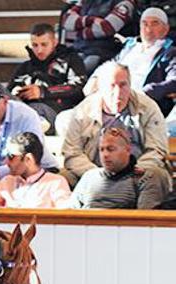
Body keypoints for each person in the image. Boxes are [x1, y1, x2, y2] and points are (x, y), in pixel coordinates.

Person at [61, 62, 170, 198]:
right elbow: (72, 153)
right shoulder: (82, 111)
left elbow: (156, 150)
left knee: (158, 176)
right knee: (62, 177)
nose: (118, 93)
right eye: (112, 86)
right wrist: (97, 175)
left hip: (138, 172)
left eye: (123, 85)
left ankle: (145, 218)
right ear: (100, 88)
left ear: (130, 85)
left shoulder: (147, 107)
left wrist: (136, 172)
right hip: (93, 172)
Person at [8, 23, 87, 134]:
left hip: (57, 113)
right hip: (25, 109)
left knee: (33, 111)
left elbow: (79, 87)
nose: (39, 50)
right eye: (35, 45)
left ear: (54, 42)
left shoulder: (71, 60)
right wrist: (16, 92)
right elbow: (7, 93)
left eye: (44, 44)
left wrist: (43, 92)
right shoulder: (25, 67)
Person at [73, 125, 166, 208]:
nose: (105, 154)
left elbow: (145, 220)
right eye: (101, 149)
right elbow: (69, 213)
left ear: (128, 150)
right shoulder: (89, 176)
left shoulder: (146, 177)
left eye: (111, 149)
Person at [112, 7, 176, 116]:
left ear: (166, 29)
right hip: (113, 98)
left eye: (155, 24)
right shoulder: (130, 47)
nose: (148, 29)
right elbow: (111, 66)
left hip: (142, 106)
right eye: (144, 24)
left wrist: (149, 90)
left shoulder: (170, 52)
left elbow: (174, 80)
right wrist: (96, 78)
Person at [0, 132, 74, 208]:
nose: (6, 162)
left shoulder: (55, 183)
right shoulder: (7, 182)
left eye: (11, 157)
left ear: (28, 159)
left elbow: (65, 216)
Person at [60, 0, 138, 75]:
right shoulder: (86, 1)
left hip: (102, 53)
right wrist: (89, 20)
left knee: (76, 73)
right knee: (59, 71)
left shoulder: (125, 3)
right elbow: (66, 21)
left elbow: (106, 28)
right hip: (77, 50)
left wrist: (79, 30)